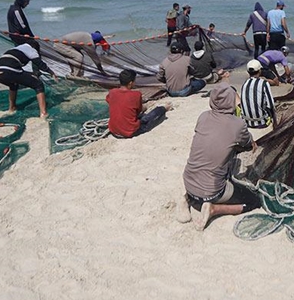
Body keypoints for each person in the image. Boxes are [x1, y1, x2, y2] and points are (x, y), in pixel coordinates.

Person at [179, 84, 261, 231]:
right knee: (254, 201)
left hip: (188, 181)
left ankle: (187, 198)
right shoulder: (238, 124)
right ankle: (214, 209)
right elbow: (248, 143)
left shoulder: (203, 116)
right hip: (212, 191)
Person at [0, 40, 57, 118]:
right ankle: (43, 113)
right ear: (35, 47)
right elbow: (40, 64)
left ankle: (12, 108)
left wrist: (31, 74)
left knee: (13, 84)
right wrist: (51, 72)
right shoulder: (31, 50)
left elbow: (16, 68)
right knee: (38, 84)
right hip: (8, 70)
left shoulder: (15, 49)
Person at [106, 69, 169, 138]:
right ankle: (165, 108)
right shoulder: (136, 94)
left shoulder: (112, 92)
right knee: (156, 112)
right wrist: (145, 106)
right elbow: (139, 110)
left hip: (114, 130)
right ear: (130, 83)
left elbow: (110, 101)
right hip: (129, 131)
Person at [240, 59, 276, 129]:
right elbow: (271, 105)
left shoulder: (245, 83)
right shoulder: (264, 83)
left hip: (246, 122)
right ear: (260, 71)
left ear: (248, 72)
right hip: (261, 122)